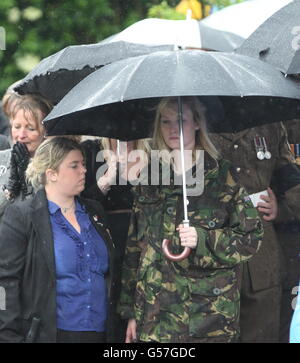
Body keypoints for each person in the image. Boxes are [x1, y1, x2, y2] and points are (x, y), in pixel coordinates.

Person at [118, 96, 264, 343]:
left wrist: (203, 239)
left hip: (207, 318)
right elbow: (134, 248)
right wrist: (130, 311)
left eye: (180, 120)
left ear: (197, 123)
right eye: (165, 122)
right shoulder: (149, 178)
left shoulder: (222, 176)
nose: (173, 129)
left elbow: (251, 237)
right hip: (156, 316)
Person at [0, 137, 117, 343]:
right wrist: (7, 334)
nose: (84, 171)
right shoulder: (22, 215)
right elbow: (5, 281)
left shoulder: (94, 211)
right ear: (51, 173)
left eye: (82, 164)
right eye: (74, 166)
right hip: (50, 332)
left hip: (100, 330)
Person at [209, 119, 300, 343]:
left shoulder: (268, 123)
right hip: (210, 249)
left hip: (260, 255)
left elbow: (290, 180)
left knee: (262, 332)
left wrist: (282, 208)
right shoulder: (192, 118)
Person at [81, 137, 146, 342]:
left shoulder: (155, 153)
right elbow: (80, 205)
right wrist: (105, 181)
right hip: (105, 242)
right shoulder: (91, 152)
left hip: (143, 242)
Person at [0, 93, 52, 220]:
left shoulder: (55, 163)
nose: (21, 135)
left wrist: (27, 179)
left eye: (31, 128)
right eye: (17, 127)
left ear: (45, 131)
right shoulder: (2, 158)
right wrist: (11, 187)